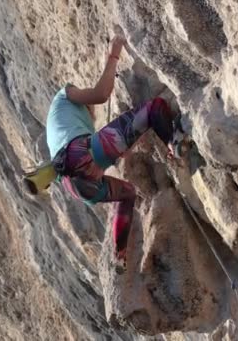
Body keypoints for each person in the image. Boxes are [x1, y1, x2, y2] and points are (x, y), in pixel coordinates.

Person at [36, 35, 178, 262]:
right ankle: (174, 145)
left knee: (128, 194)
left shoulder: (64, 124)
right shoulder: (64, 96)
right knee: (154, 110)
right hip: (79, 154)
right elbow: (101, 94)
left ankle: (120, 255)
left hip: (75, 187)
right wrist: (114, 52)